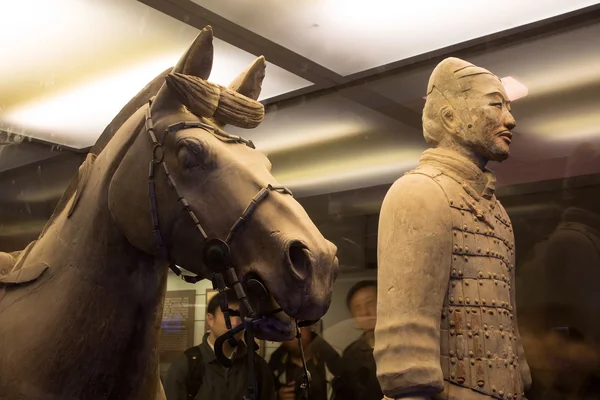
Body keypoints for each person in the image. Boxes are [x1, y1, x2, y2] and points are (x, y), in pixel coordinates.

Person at [374, 57, 531, 399]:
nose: (510, 119)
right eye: (495, 105)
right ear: (449, 117)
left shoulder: (496, 210)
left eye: (508, 106)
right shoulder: (419, 192)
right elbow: (405, 354)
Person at [164, 290, 276, 400]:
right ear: (210, 319)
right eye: (229, 315)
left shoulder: (257, 366)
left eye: (240, 316)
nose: (235, 323)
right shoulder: (187, 365)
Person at [332, 280, 383, 400]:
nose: (365, 312)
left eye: (370, 303)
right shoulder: (351, 355)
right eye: (357, 308)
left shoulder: (404, 344)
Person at [269, 324, 342, 400]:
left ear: (309, 328)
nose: (296, 333)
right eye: (288, 329)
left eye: (300, 326)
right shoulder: (272, 368)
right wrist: (277, 396)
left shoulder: (333, 365)